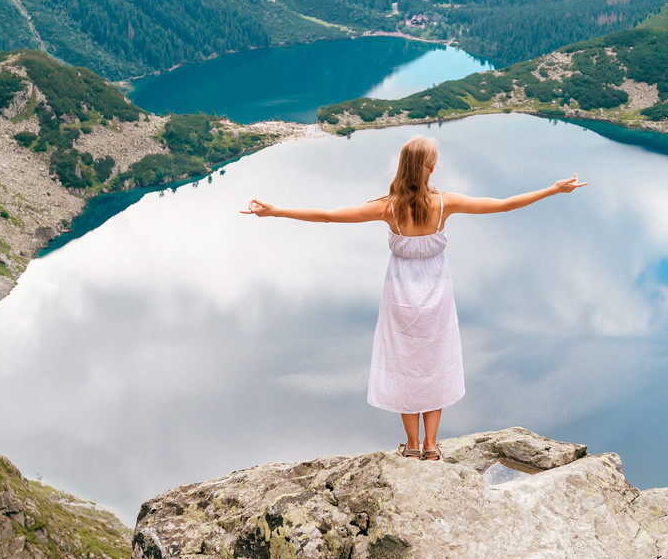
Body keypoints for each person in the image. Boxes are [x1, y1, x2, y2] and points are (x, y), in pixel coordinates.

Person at [242, 135, 587, 462]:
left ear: (402, 166)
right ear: (431, 169)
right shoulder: (444, 203)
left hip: (400, 297)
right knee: (434, 363)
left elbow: (330, 215)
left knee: (407, 364)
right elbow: (504, 206)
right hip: (437, 295)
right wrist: (553, 189)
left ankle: (410, 448)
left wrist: (275, 211)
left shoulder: (387, 208)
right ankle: (432, 447)